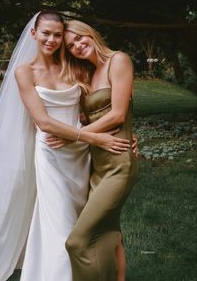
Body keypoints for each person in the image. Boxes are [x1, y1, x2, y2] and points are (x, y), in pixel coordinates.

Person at [0, 10, 132, 281]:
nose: (51, 40)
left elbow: (92, 111)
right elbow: (43, 121)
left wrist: (124, 134)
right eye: (46, 33)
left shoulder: (72, 66)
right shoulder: (24, 72)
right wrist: (94, 137)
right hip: (53, 153)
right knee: (61, 223)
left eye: (57, 35)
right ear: (33, 34)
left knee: (91, 220)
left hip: (83, 155)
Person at [48, 19, 138, 281]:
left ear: (90, 33)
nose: (77, 46)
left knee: (77, 242)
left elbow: (119, 114)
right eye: (71, 46)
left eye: (79, 38)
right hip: (97, 166)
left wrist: (75, 137)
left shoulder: (118, 60)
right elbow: (96, 118)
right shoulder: (88, 74)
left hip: (119, 163)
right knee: (111, 235)